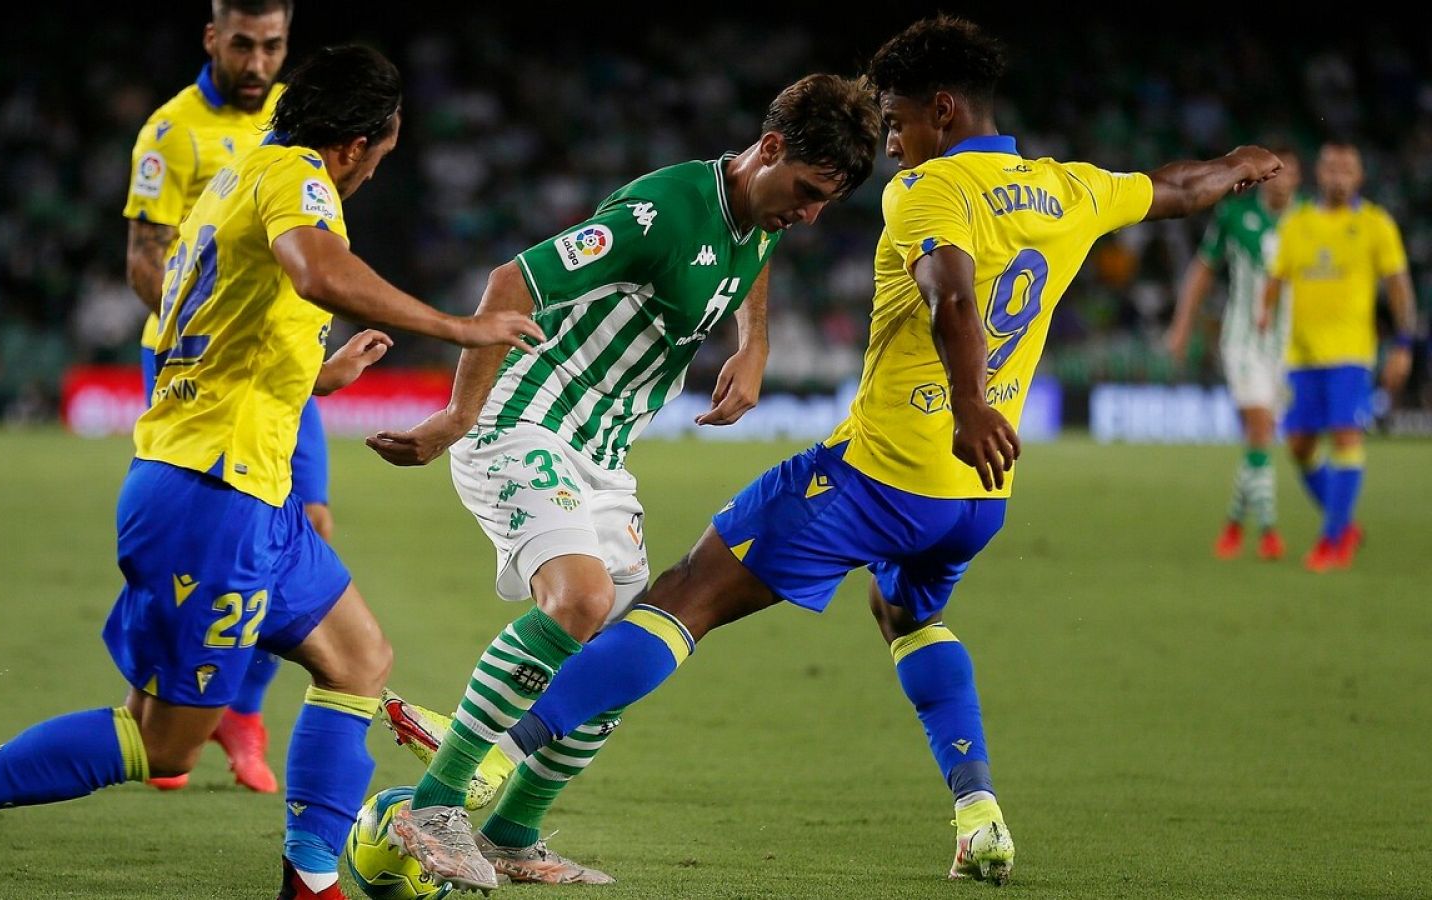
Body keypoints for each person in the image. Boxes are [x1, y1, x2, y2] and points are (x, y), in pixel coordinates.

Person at [386, 15, 1282, 890]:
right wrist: (1242, 167)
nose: (892, 144)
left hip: (879, 474)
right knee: (907, 620)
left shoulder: (929, 192)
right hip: (976, 497)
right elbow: (1176, 187)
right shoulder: (1071, 187)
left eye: (896, 121)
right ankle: (979, 816)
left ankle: (480, 779)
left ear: (942, 111)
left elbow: (951, 294)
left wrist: (964, 400)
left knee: (676, 607)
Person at [0, 44, 542, 900]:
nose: (374, 173)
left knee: (358, 662)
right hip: (208, 498)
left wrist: (319, 376)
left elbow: (228, 329)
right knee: (164, 743)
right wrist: (458, 326)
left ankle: (313, 881)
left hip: (245, 487)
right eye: (383, 154)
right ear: (357, 144)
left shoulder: (237, 175)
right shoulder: (297, 176)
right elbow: (315, 270)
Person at [368, 72, 883, 891]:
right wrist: (459, 417)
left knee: (621, 656)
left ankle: (513, 834)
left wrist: (756, 345)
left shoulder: (758, 210)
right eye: (807, 192)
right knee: (579, 602)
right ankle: (433, 806)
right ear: (771, 150)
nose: (810, 214)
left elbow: (758, 252)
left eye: (827, 202)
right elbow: (512, 282)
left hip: (603, 455)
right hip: (525, 419)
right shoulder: (664, 213)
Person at [122, 0, 301, 795]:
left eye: (272, 46)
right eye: (243, 45)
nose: (258, 63)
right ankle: (162, 705)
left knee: (305, 526)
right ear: (212, 39)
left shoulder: (296, 119)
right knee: (187, 550)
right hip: (198, 373)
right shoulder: (171, 132)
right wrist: (197, 334)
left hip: (283, 365)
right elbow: (143, 257)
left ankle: (242, 709)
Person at [1257, 142, 1418, 572]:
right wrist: (1263, 314)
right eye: (1331, 167)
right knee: (1300, 446)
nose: (1339, 175)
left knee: (1346, 436)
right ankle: (1342, 521)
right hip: (1302, 355)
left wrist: (1404, 343)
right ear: (1318, 174)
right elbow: (1276, 278)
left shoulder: (1375, 223)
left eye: (1348, 167)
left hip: (1351, 354)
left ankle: (1331, 541)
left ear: (1360, 175)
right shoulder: (1298, 223)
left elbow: (1399, 286)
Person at [1165, 148, 1301, 561]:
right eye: (1274, 171)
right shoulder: (1234, 217)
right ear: (1264, 175)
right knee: (1260, 430)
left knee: (1261, 439)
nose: (1280, 179)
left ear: (1298, 179)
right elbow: (1203, 269)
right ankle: (1270, 533)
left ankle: (1232, 526)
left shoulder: (1308, 222)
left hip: (1290, 346)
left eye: (1288, 173)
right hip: (1242, 342)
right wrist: (1182, 326)